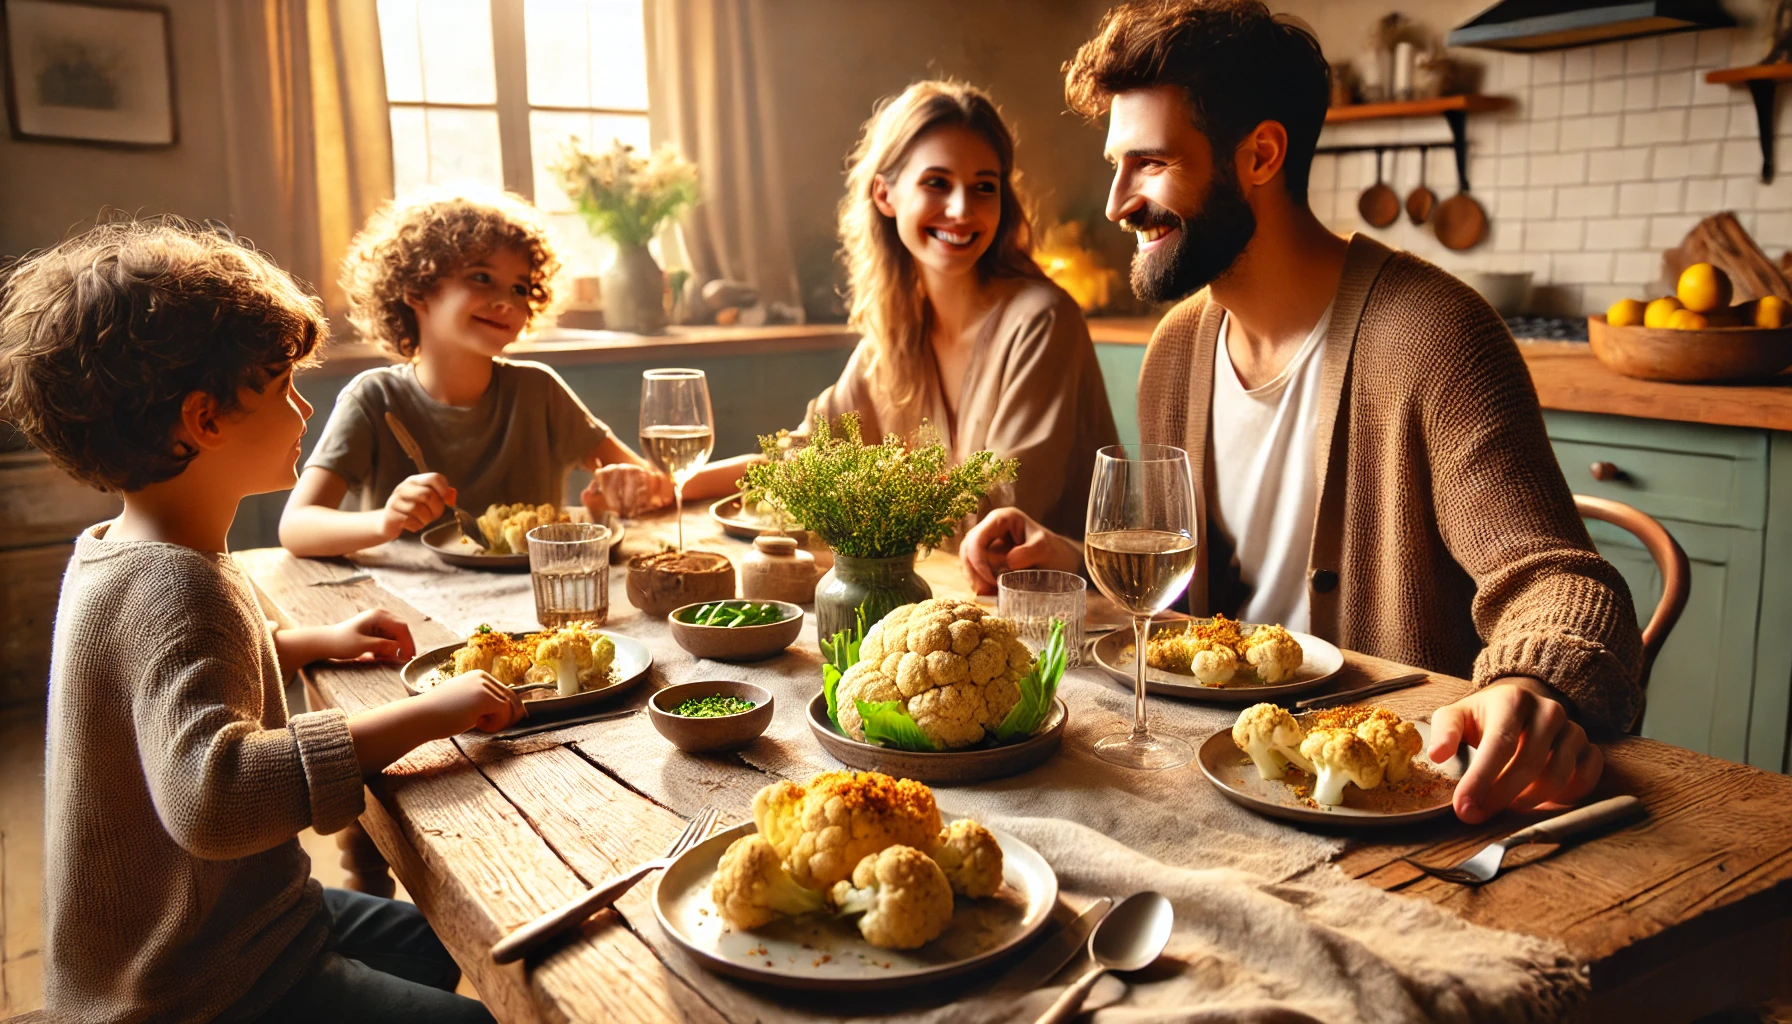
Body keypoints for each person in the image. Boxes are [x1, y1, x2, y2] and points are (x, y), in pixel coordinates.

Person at [962, 0, 1643, 824]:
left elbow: (1561, 582)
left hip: (1399, 805)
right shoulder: (1177, 352)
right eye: (1118, 164)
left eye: (1149, 163)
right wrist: (1077, 559)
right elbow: (1210, 618)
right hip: (1226, 777)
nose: (1116, 202)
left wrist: (1529, 682)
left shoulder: (1435, 337)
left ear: (1260, 154)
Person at [0, 218, 526, 1021]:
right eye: (282, 385)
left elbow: (171, 680)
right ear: (204, 420)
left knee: (437, 942)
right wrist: (428, 713)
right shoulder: (178, 586)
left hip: (210, 926)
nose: (303, 403)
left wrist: (306, 642)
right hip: (194, 982)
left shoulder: (118, 551)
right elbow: (215, 797)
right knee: (485, 1010)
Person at [684, 80, 1119, 542]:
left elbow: (1000, 511)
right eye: (937, 183)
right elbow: (799, 459)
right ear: (884, 195)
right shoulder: (892, 336)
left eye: (983, 188)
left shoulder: (1042, 321)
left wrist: (864, 489)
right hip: (941, 595)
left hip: (1062, 607)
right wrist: (673, 483)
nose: (961, 209)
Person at [279, 189, 670, 558]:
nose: (506, 302)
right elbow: (296, 527)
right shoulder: (373, 399)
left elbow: (652, 485)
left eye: (520, 288)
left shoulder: (539, 390)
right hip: (410, 608)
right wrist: (385, 521)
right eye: (481, 277)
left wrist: (622, 488)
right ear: (416, 289)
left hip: (534, 604)